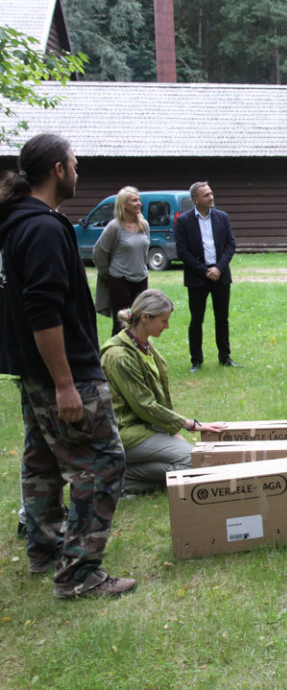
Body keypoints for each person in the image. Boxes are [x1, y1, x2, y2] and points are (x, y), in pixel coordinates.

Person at [0, 133, 134, 599]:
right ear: (58, 169)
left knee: (41, 460)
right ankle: (79, 574)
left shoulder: (16, 222)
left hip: (32, 371)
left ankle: (44, 549)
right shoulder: (42, 228)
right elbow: (43, 310)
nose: (79, 171)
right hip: (64, 373)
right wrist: (65, 384)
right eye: (75, 163)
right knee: (103, 464)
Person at [100, 290, 225, 493]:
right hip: (125, 432)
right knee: (195, 462)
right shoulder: (120, 356)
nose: (167, 326)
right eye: (163, 320)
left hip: (146, 427)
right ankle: (120, 480)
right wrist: (189, 425)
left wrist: (172, 431)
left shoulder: (142, 344)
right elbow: (145, 406)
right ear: (146, 318)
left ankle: (124, 472)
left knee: (198, 460)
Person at [174, 181, 239, 372]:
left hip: (220, 275)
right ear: (195, 199)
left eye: (211, 194)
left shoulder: (222, 217)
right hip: (197, 277)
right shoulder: (184, 221)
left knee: (222, 319)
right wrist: (204, 270)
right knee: (196, 320)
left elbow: (230, 245)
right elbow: (182, 252)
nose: (211, 198)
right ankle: (196, 360)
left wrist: (218, 268)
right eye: (206, 195)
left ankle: (225, 357)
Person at [93, 186, 150, 336]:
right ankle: (116, 356)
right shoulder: (114, 227)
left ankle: (137, 356)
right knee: (122, 325)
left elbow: (145, 249)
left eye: (139, 200)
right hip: (120, 281)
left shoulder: (144, 225)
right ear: (124, 204)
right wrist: (108, 274)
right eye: (134, 200)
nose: (139, 203)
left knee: (140, 322)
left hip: (141, 279)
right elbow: (99, 252)